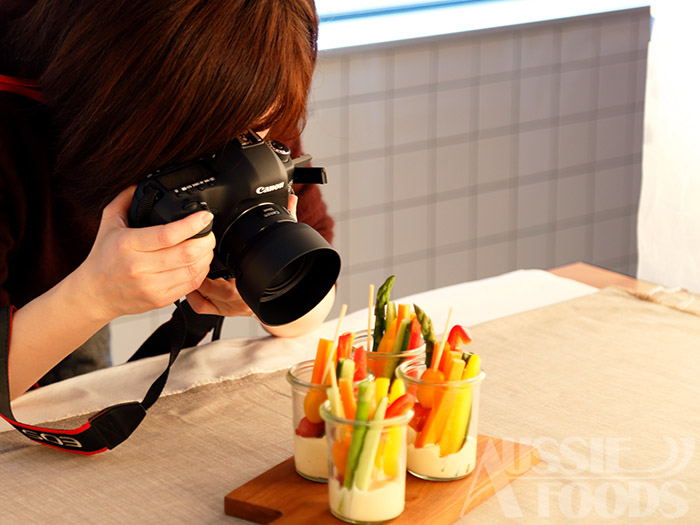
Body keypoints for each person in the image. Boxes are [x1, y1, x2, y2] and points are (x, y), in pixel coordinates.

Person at [0, 0, 335, 400]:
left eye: (253, 132)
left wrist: (264, 289)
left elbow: (315, 296)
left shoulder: (252, 90)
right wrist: (93, 296)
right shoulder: (13, 126)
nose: (236, 156)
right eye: (202, 148)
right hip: (35, 270)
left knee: (76, 386)